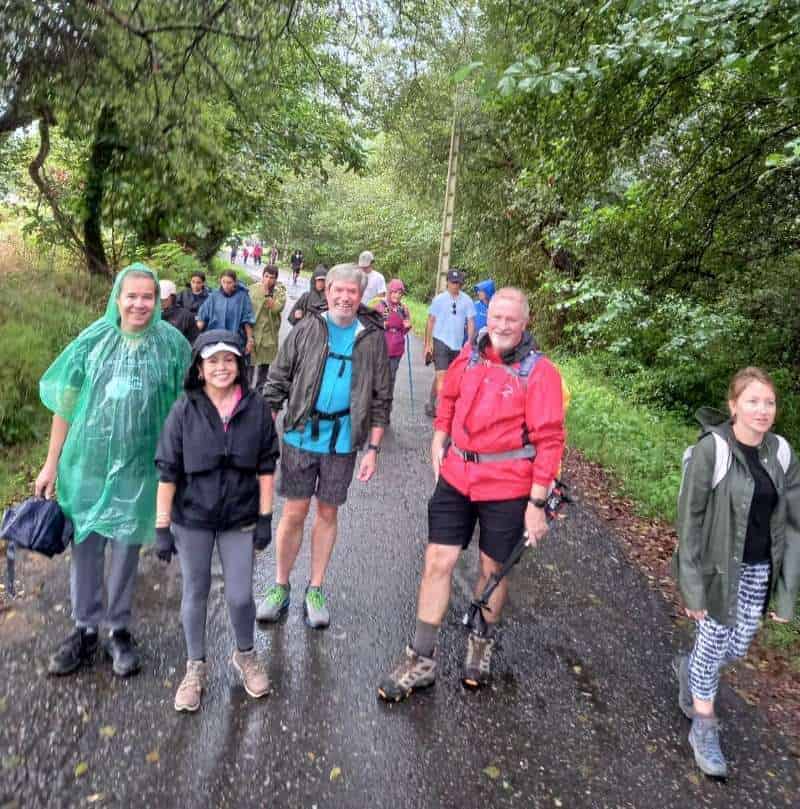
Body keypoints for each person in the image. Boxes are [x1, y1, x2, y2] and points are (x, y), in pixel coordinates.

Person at [378, 287, 565, 700]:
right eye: (495, 317)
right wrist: (439, 437)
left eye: (510, 320)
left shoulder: (540, 373)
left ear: (525, 324)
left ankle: (480, 643)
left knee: (492, 569)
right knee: (437, 560)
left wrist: (536, 505)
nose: (500, 325)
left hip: (509, 486)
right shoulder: (470, 354)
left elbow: (550, 441)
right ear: (486, 315)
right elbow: (450, 398)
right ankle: (421, 657)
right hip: (457, 476)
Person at [35, 263, 190, 678]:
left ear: (158, 301)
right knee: (85, 547)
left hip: (140, 469)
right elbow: (65, 403)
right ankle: (84, 629)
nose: (139, 303)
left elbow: (182, 410)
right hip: (87, 464)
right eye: (132, 295)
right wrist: (52, 462)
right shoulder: (93, 341)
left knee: (125, 549)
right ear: (118, 298)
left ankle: (118, 629)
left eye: (147, 296)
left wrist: (178, 470)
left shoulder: (172, 346)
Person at [673, 367, 800, 778]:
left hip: (759, 569)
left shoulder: (781, 453)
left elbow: (794, 525)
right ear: (733, 406)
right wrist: (692, 587)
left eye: (769, 402)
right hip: (714, 568)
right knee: (712, 644)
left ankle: (689, 669)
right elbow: (689, 522)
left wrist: (786, 592)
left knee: (739, 645)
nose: (763, 410)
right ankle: (704, 726)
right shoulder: (713, 450)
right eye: (753, 401)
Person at [258, 263, 391, 629]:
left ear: (360, 296)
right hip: (301, 434)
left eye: (353, 292)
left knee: (328, 514)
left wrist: (374, 450)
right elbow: (278, 380)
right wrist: (266, 430)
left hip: (344, 442)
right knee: (294, 512)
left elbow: (381, 398)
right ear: (327, 290)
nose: (346, 297)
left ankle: (315, 588)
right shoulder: (307, 328)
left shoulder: (372, 338)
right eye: (339, 290)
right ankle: (280, 585)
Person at [155, 330, 279, 711]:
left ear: (240, 364)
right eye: (213, 361)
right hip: (192, 517)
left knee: (241, 596)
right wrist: (162, 526)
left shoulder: (256, 408)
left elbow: (265, 466)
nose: (222, 368)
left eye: (229, 360)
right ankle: (195, 668)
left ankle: (245, 655)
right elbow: (168, 470)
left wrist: (265, 517)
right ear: (200, 368)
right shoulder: (184, 410)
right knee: (196, 590)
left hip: (240, 516)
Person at [423, 268, 476, 417]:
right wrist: (427, 344)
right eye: (453, 283)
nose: (455, 286)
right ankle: (443, 412)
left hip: (457, 344)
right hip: (440, 340)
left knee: (446, 375)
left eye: (458, 283)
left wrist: (469, 342)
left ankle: (431, 403)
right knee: (442, 376)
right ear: (447, 282)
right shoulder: (439, 300)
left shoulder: (467, 300)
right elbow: (431, 321)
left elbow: (471, 322)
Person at [196, 270, 256, 357]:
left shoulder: (242, 297)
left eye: (229, 282)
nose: (226, 286)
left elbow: (247, 320)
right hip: (215, 339)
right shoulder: (214, 296)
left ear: (235, 282)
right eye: (223, 282)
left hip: (234, 340)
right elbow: (202, 317)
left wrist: (250, 340)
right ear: (220, 280)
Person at [375, 278, 411, 420]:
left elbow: (405, 330)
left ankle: (385, 411)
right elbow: (374, 326)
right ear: (389, 292)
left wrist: (407, 327)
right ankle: (374, 409)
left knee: (390, 380)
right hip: (381, 348)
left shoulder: (404, 309)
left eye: (399, 293)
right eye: (394, 292)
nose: (396, 295)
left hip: (396, 349)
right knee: (378, 380)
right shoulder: (381, 306)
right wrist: (383, 325)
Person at [248, 265, 286, 395]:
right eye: (266, 276)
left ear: (276, 279)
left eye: (272, 277)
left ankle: (258, 393)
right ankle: (246, 392)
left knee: (264, 366)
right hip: (253, 332)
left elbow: (275, 308)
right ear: (262, 275)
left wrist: (266, 292)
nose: (269, 280)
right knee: (250, 365)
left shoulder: (279, 293)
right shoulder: (252, 289)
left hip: (269, 334)